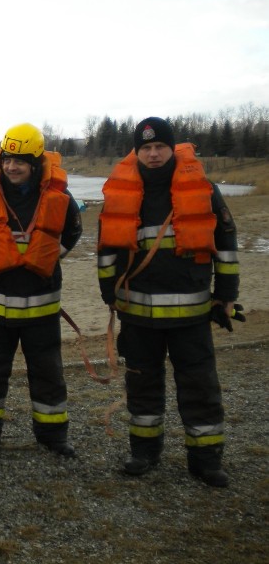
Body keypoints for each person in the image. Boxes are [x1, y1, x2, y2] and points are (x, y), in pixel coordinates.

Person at [97, 116, 241, 487]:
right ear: (137, 152)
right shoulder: (122, 195)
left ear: (172, 148)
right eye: (146, 148)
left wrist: (226, 297)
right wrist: (108, 294)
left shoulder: (204, 190)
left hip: (191, 316)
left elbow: (226, 246)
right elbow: (107, 251)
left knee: (200, 387)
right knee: (143, 386)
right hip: (139, 315)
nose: (154, 153)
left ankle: (206, 460)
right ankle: (144, 452)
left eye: (160, 146)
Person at [0, 123, 83, 458]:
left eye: (19, 161)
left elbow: (73, 232)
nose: (12, 167)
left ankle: (53, 437)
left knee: (48, 374)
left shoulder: (59, 199)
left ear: (35, 163)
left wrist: (45, 260)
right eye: (7, 160)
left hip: (41, 310)